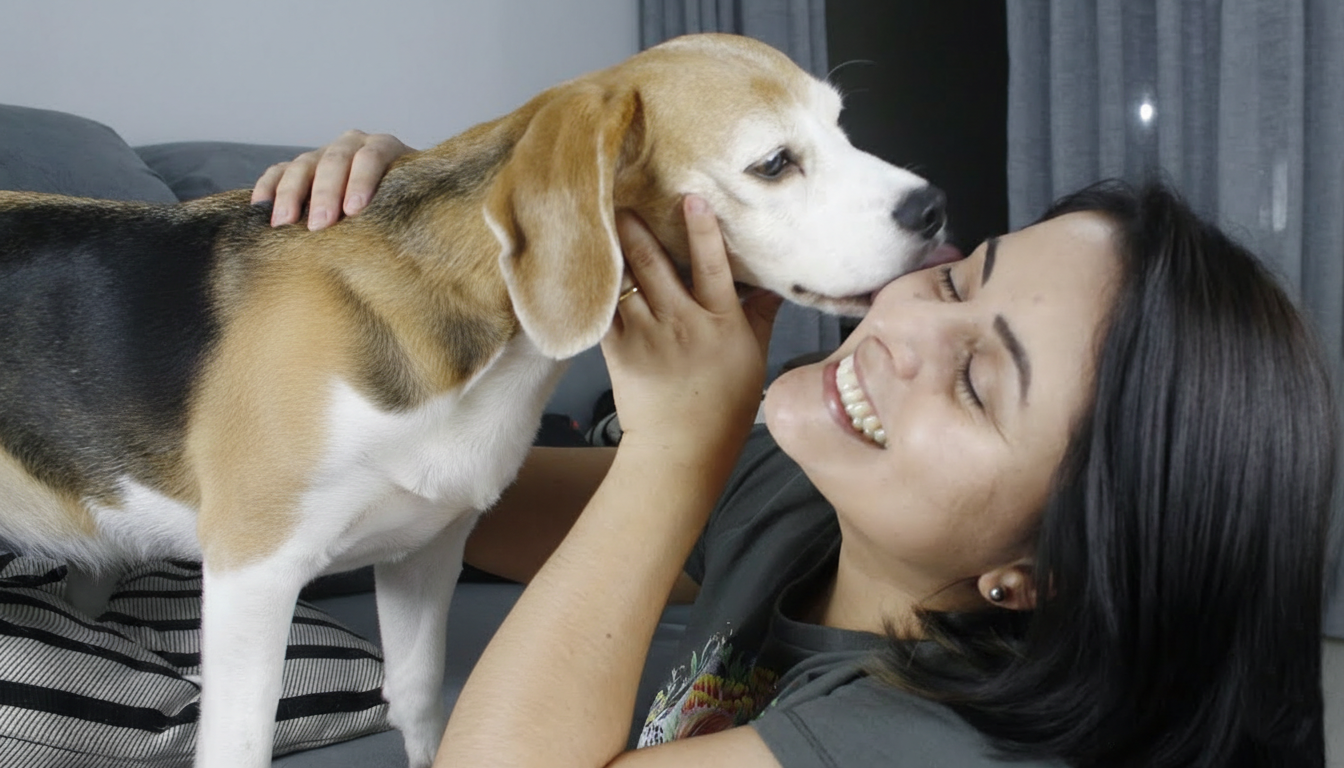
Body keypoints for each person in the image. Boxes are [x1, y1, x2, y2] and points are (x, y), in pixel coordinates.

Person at [252, 131, 1335, 768]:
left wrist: (675, 446)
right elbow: (469, 498)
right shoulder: (813, 497)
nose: (900, 326)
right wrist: (424, 260)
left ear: (1040, 577)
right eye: (958, 279)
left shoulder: (938, 746)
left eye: (976, 382)